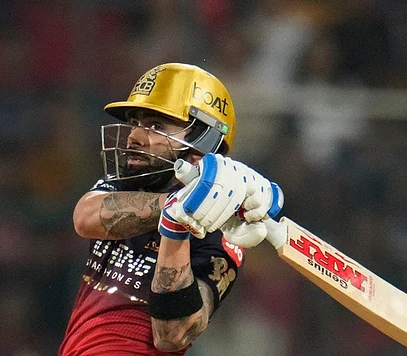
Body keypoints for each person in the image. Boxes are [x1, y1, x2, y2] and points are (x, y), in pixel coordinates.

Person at [58, 63, 282, 355]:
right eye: (135, 123)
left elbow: (172, 334)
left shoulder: (220, 235)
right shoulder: (128, 184)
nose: (134, 137)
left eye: (155, 126)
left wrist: (178, 228)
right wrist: (175, 207)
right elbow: (84, 218)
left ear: (201, 140)